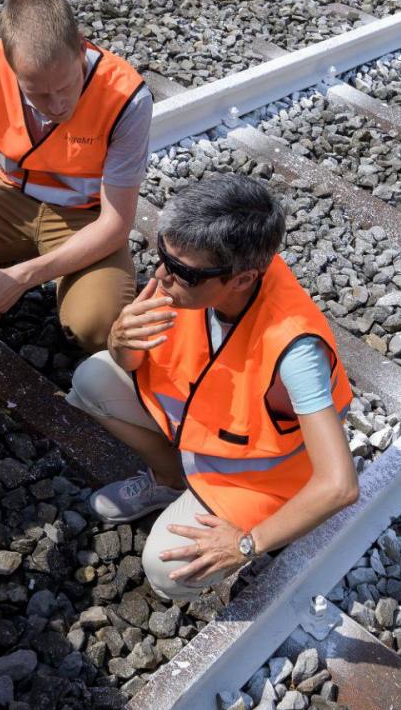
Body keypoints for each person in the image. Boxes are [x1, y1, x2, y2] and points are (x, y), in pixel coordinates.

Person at [66, 175, 361, 601]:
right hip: (203, 424)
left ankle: (234, 517)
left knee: (168, 571)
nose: (163, 276)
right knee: (92, 379)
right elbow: (127, 361)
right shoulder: (186, 278)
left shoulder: (296, 349)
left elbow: (339, 485)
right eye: (161, 253)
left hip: (253, 479)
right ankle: (170, 478)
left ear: (241, 279)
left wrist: (247, 543)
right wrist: (120, 339)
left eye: (182, 271)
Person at [0, 0, 151, 351]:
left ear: (81, 46)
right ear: (10, 67)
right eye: (37, 94)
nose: (56, 105)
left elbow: (116, 225)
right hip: (9, 197)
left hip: (86, 218)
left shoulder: (126, 96)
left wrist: (23, 278)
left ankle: (13, 276)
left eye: (67, 86)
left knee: (99, 325)